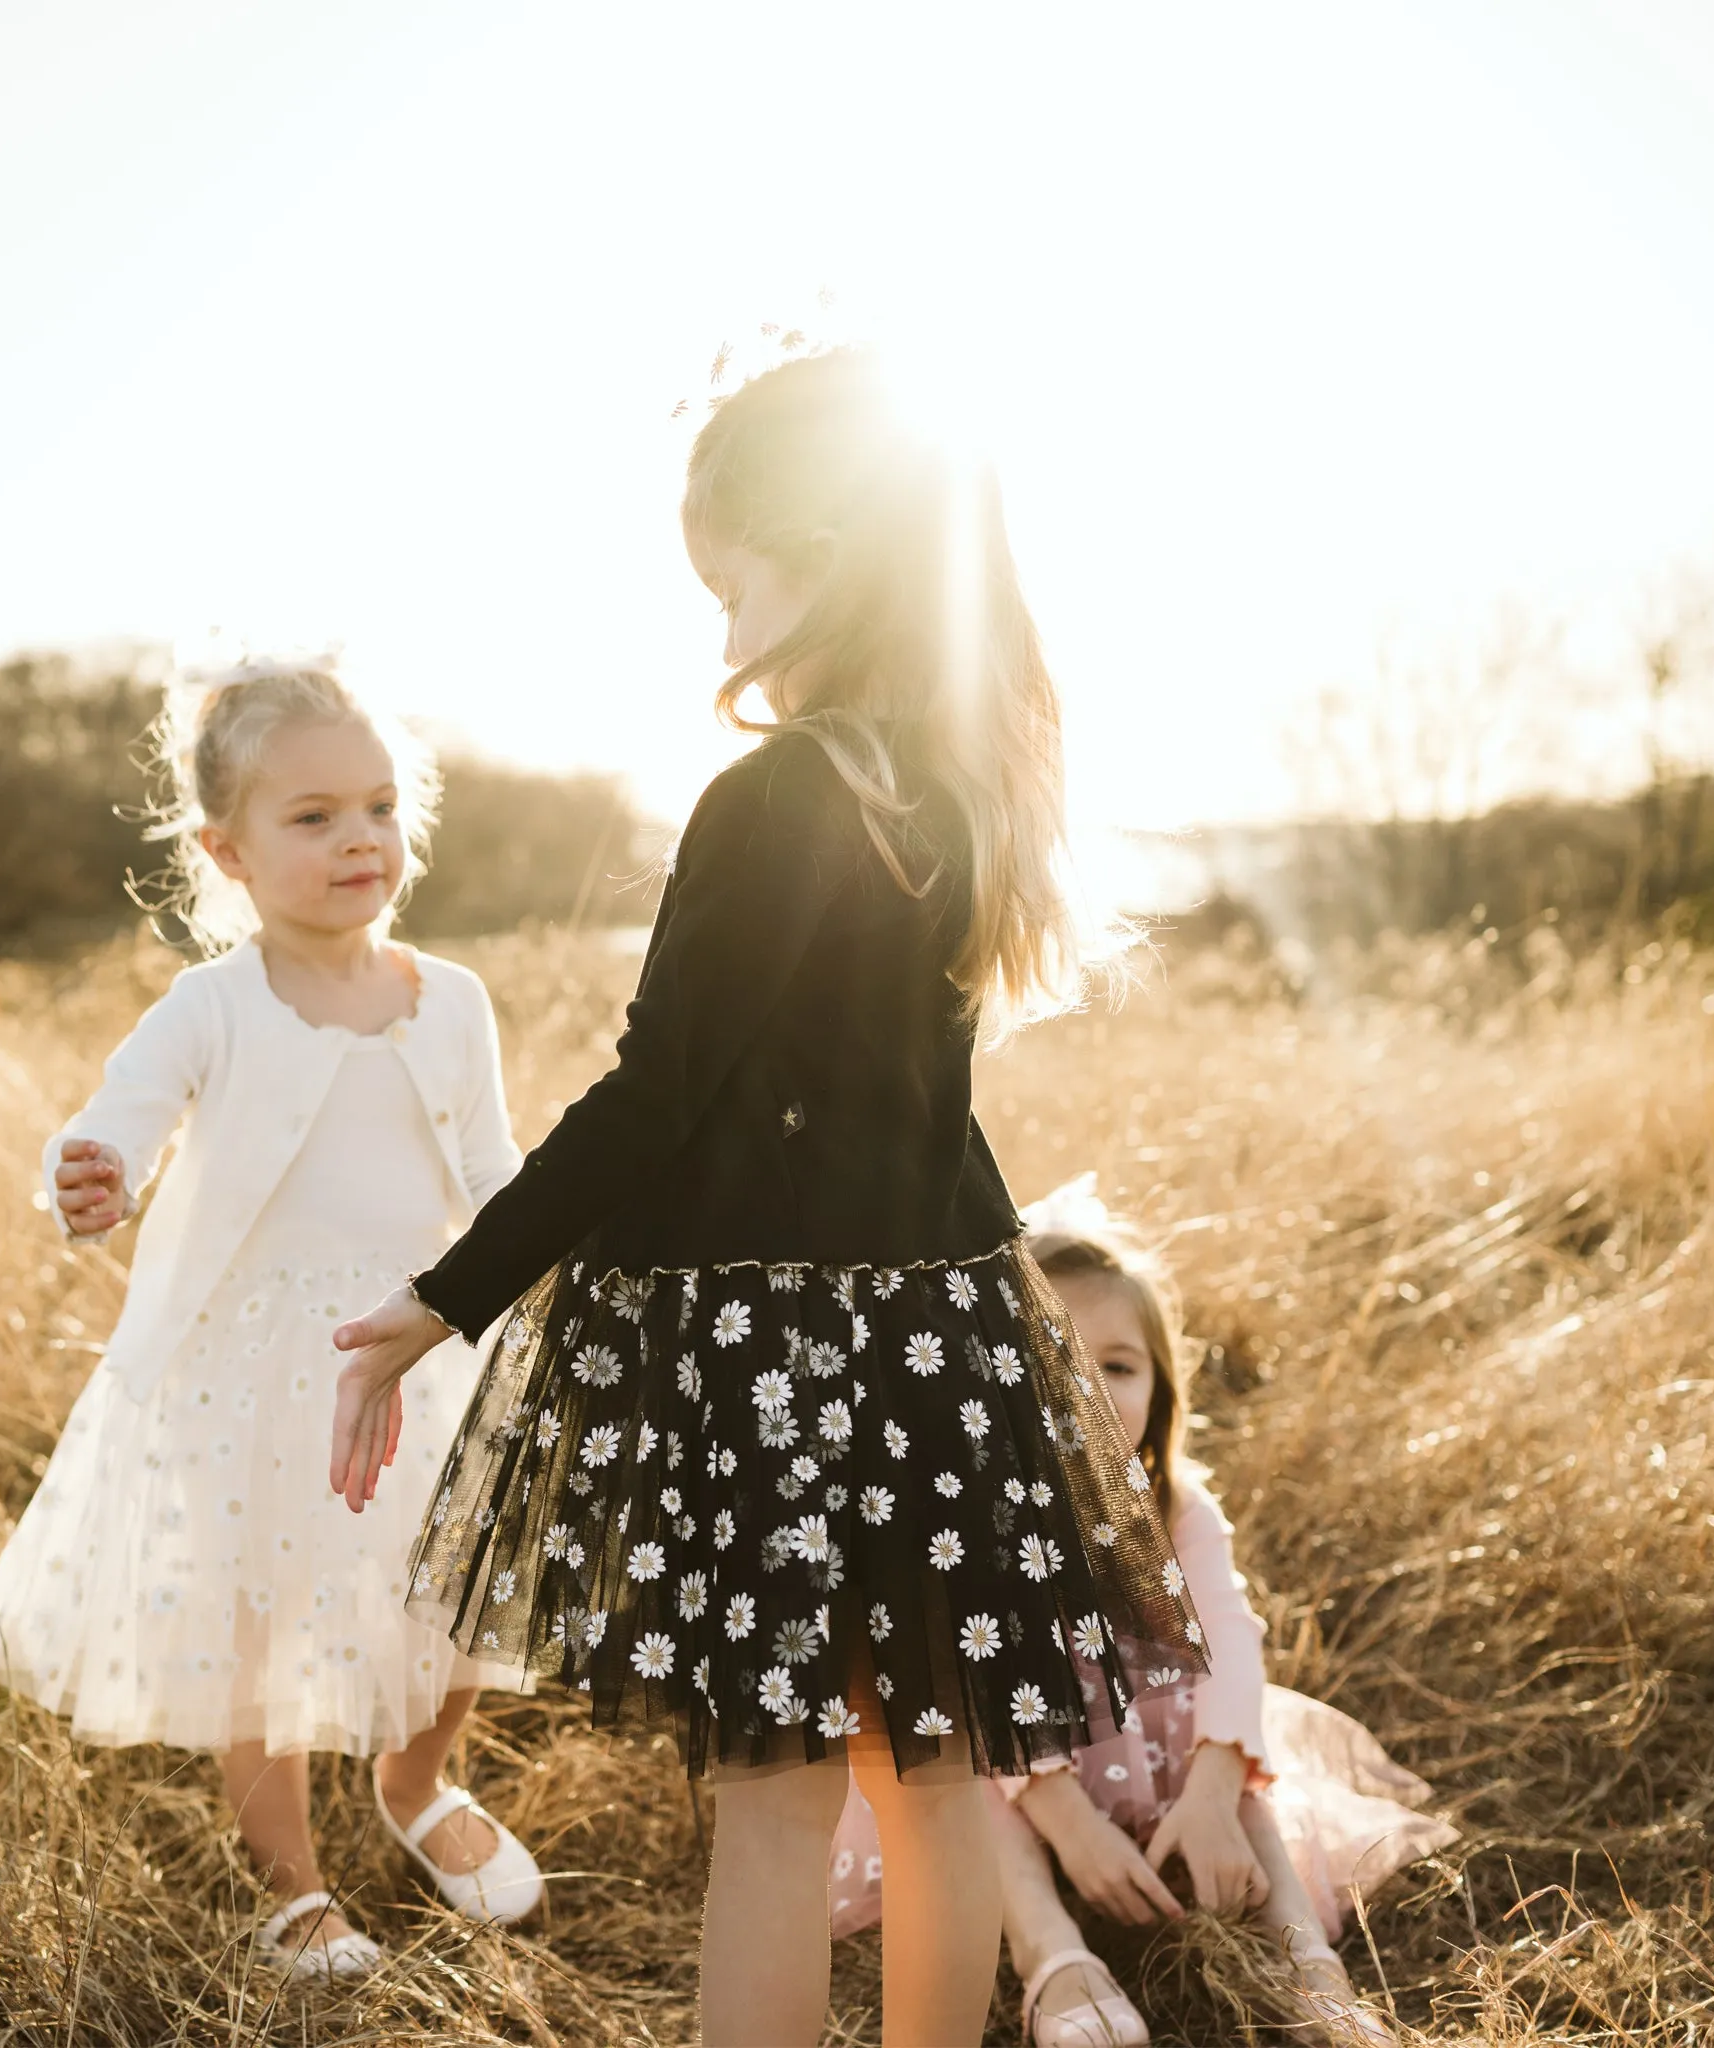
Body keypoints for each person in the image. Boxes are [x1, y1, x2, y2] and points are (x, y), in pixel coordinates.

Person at [323, 349, 1207, 2047]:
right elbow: (920, 1118)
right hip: (940, 1354)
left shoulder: (774, 797)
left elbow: (656, 1095)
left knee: (781, 1801)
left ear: (818, 552)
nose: (719, 630)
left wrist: (442, 1293)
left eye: (729, 584)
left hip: (772, 1364)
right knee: (935, 1780)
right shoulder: (956, 797)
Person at [0, 651, 544, 1981]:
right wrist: (94, 1173)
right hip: (252, 1375)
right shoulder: (211, 1005)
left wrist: (545, 1267)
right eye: (313, 817)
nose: (360, 838)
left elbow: (495, 1174)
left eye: (381, 806)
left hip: (420, 1350)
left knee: (450, 1595)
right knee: (263, 1632)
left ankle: (418, 1788)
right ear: (225, 850)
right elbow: (119, 1121)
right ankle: (292, 1885)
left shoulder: (449, 1001)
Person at [829, 1177, 1455, 2045]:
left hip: (1155, 1756)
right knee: (961, 1785)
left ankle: (1313, 1973)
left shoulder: (1178, 1509)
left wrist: (1210, 1787)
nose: (1087, 1391)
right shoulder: (970, 1515)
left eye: (1117, 1367)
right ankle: (1053, 1960)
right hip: (1022, 1766)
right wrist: (1065, 1820)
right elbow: (973, 1688)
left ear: (1161, 1391)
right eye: (1053, 1364)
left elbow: (1231, 1640)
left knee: (1247, 1789)